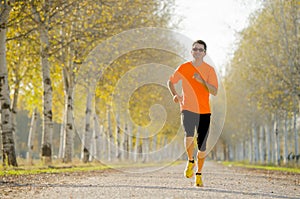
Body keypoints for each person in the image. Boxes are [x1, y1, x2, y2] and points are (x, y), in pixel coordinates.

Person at [167, 40, 218, 187]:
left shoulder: (209, 70)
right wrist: (175, 95)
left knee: (202, 146)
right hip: (187, 108)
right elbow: (170, 81)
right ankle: (190, 160)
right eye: (195, 49)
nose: (197, 52)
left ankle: (199, 174)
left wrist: (202, 81)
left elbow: (214, 91)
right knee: (189, 135)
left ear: (204, 53)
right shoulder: (184, 67)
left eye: (200, 50)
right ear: (191, 52)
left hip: (204, 111)